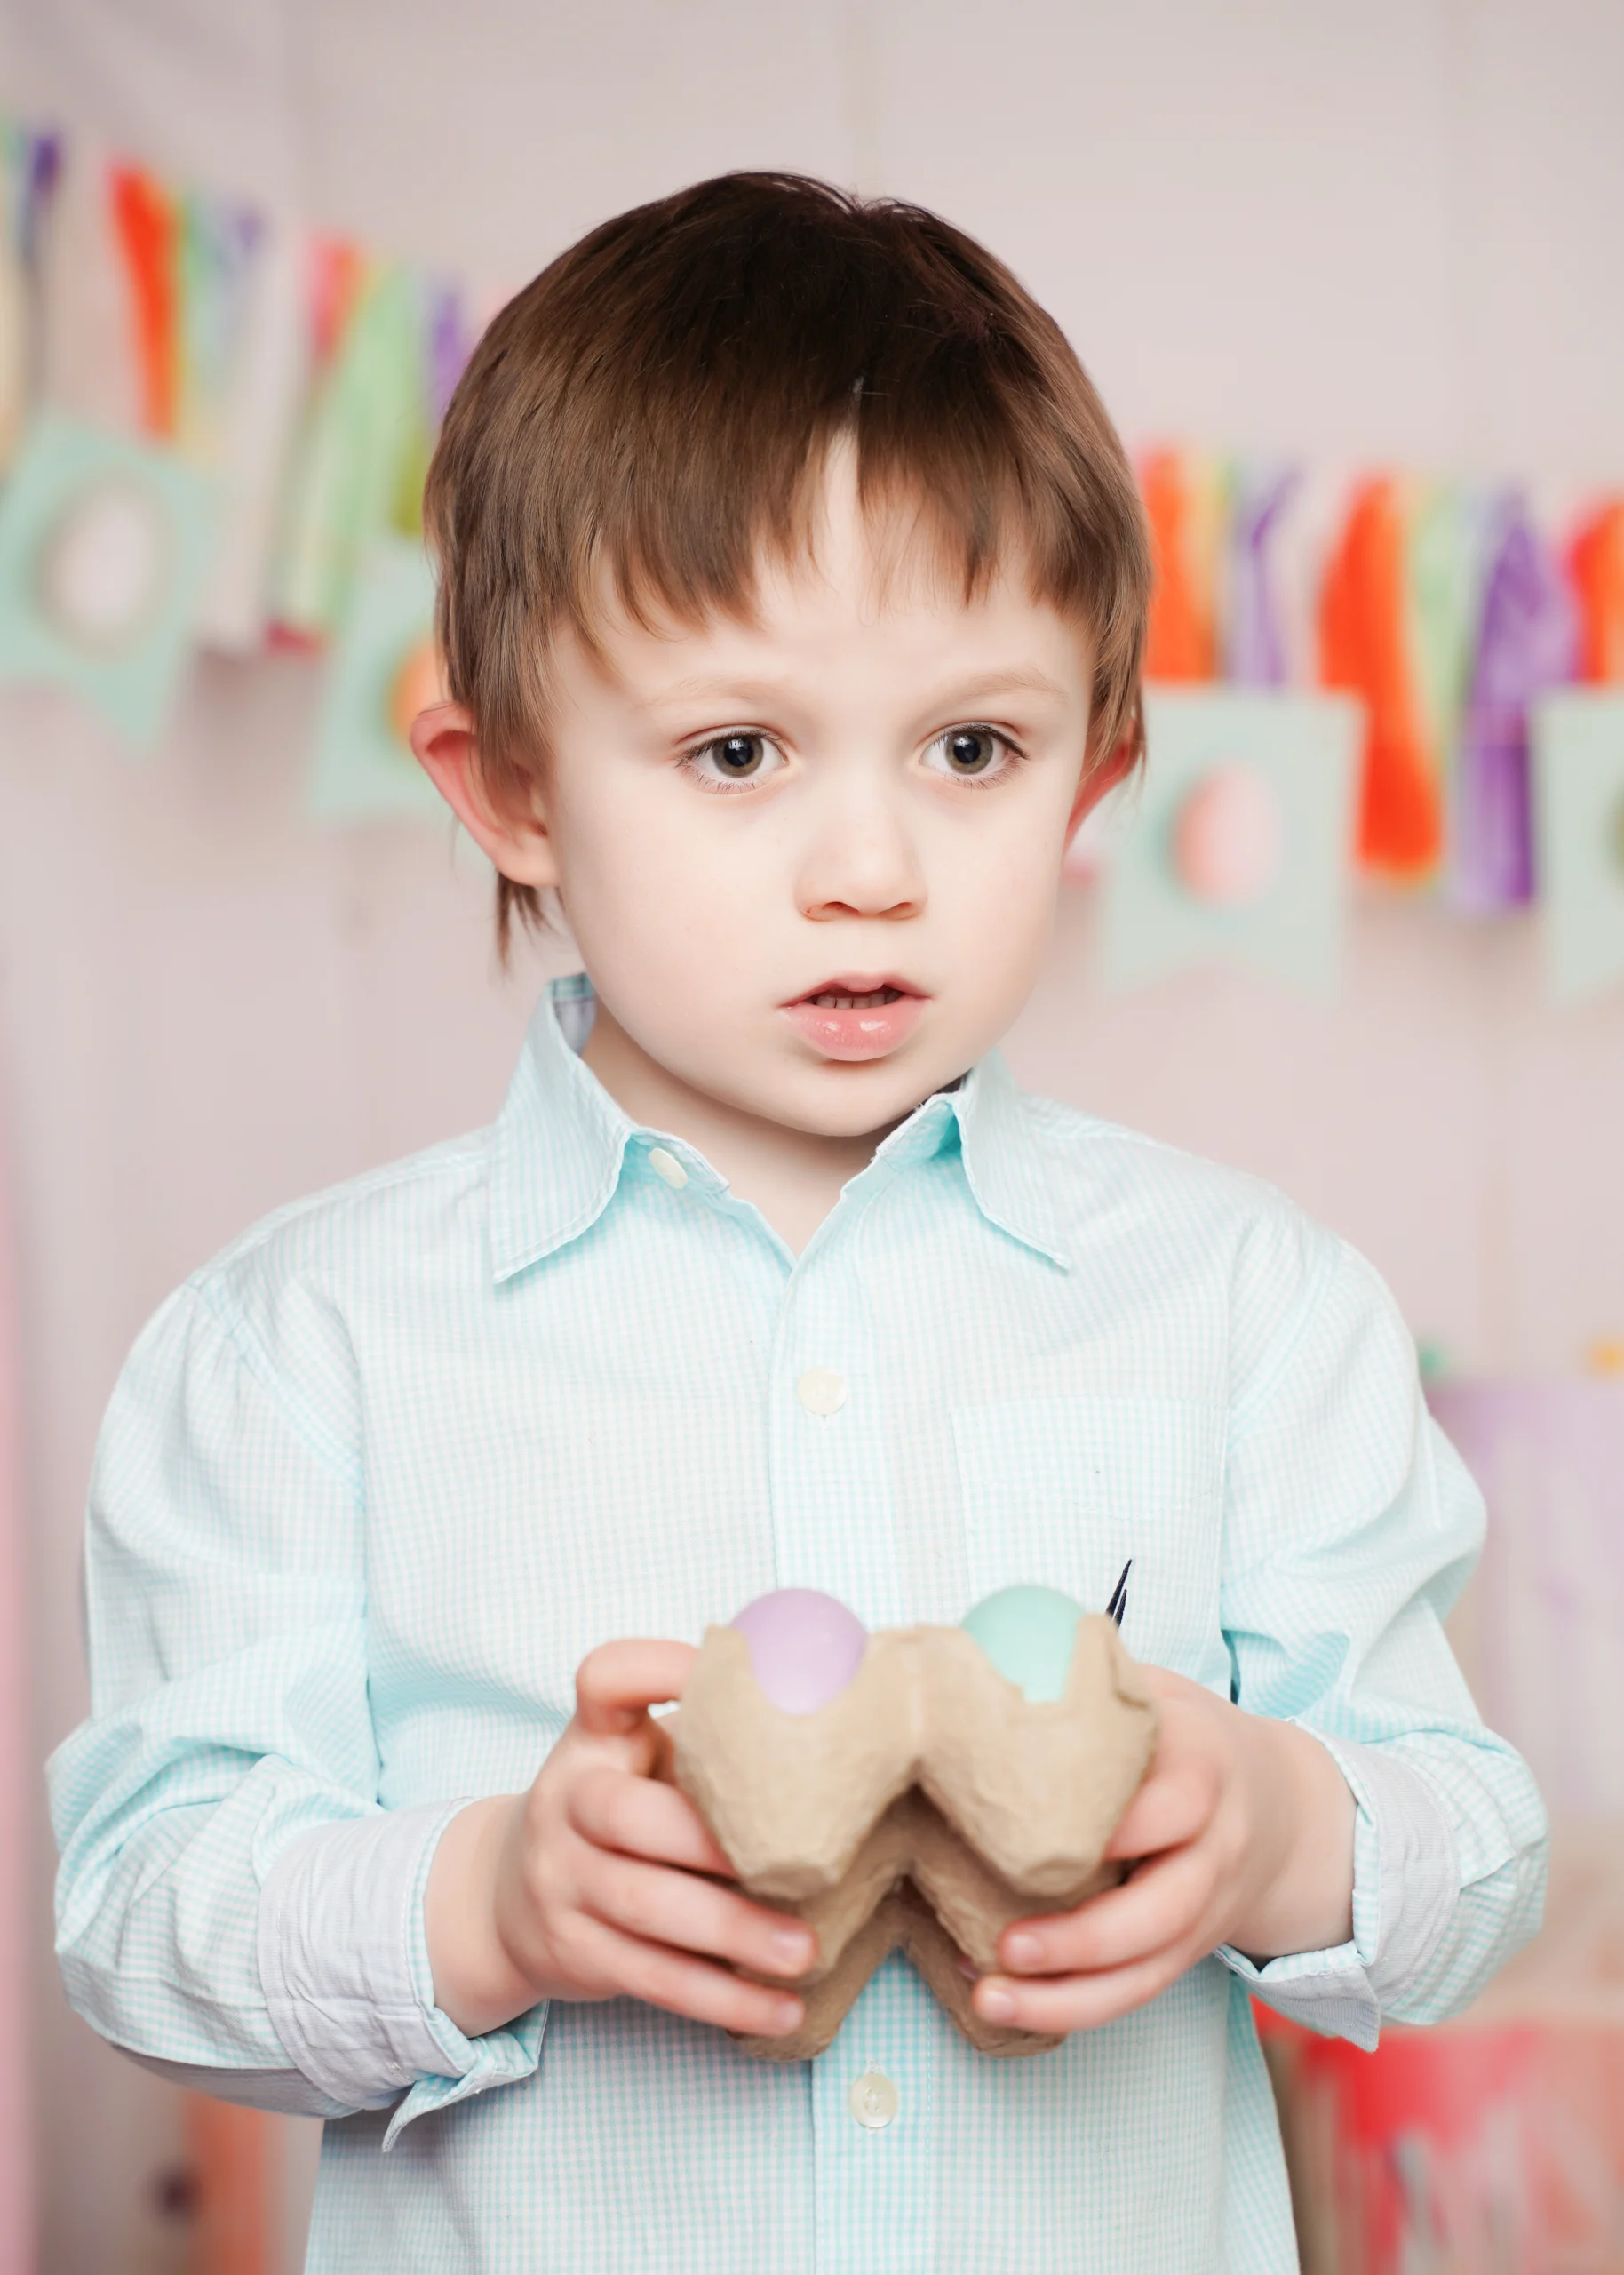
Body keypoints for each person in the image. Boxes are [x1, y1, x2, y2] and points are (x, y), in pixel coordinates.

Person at [49, 173, 1546, 2274]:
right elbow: (142, 1903)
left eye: (969, 745)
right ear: (508, 788)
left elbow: (1472, 1834)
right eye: (737, 747)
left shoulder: (1242, 1303)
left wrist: (1287, 1827)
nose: (870, 862)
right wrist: (483, 1899)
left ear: (1096, 773)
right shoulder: (302, 1346)